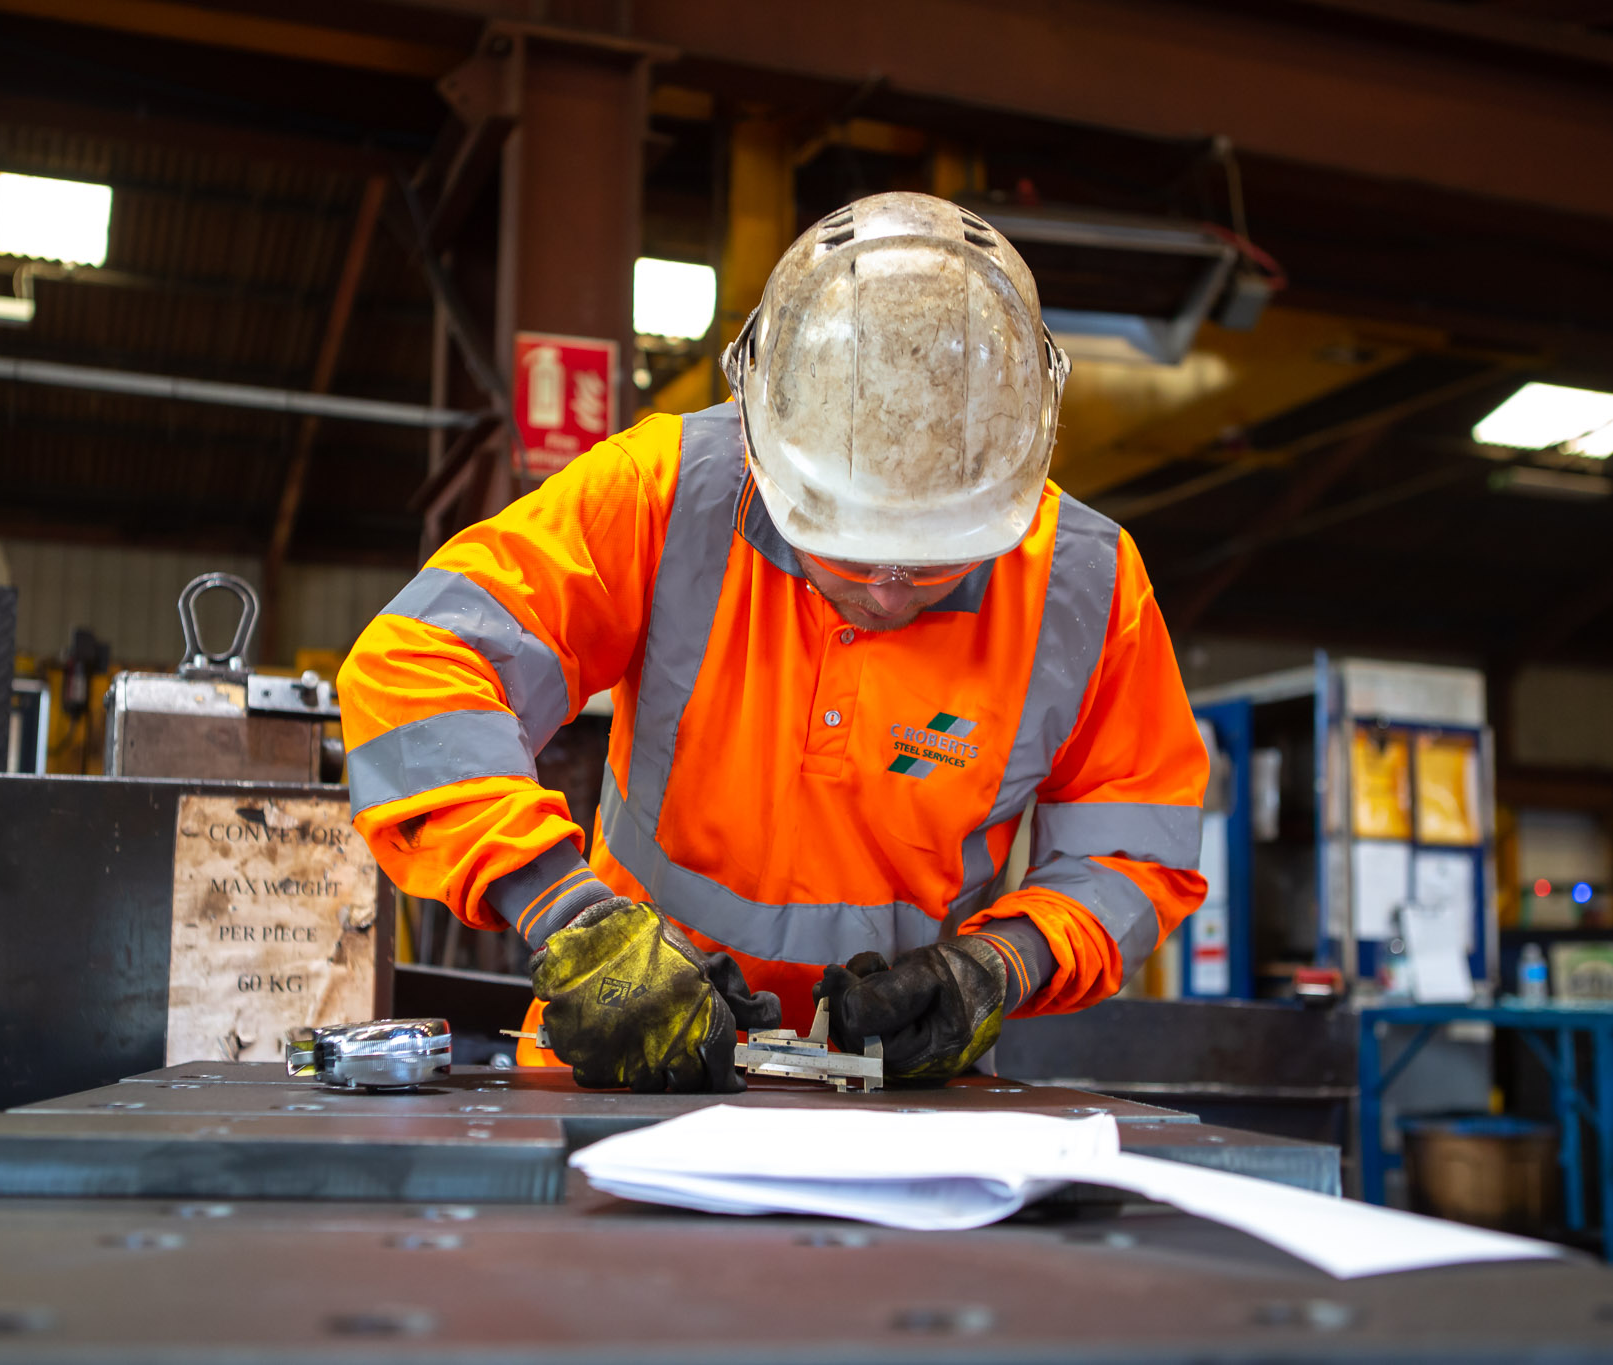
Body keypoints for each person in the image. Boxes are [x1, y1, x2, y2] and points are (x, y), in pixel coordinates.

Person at [339, 191, 1208, 1092]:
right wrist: (571, 917)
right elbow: (416, 674)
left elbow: (1134, 844)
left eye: (933, 560)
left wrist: (1002, 964)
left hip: (905, 1112)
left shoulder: (1087, 585)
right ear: (763, 449)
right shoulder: (665, 496)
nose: (885, 587)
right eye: (847, 543)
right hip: (627, 1072)